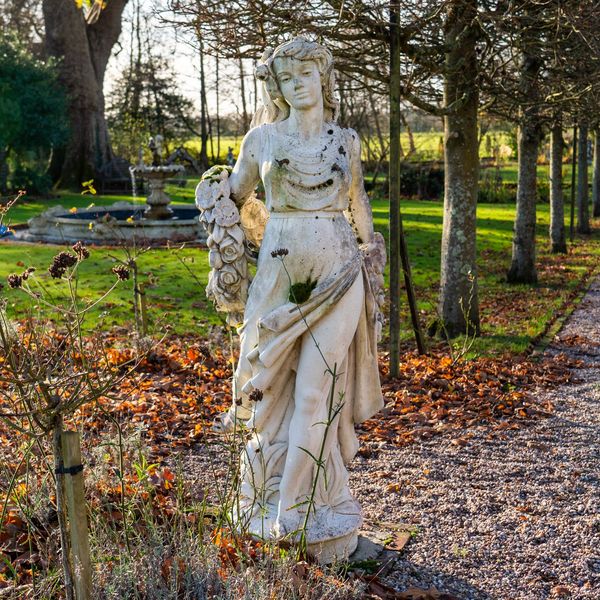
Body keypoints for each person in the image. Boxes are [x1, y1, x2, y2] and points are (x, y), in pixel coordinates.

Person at [200, 37, 385, 557]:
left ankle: (295, 504)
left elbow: (358, 201)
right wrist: (217, 220)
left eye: (305, 74)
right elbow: (231, 198)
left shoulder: (345, 142)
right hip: (279, 274)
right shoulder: (261, 140)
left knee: (316, 390)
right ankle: (266, 491)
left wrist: (372, 255)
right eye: (285, 77)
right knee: (266, 385)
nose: (296, 84)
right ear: (276, 87)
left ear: (323, 79)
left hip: (339, 270)